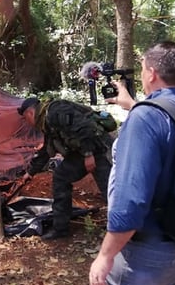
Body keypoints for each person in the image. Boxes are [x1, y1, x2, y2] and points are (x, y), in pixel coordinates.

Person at [89, 41, 175, 285]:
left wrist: (105, 256)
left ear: (151, 73)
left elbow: (130, 203)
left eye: (142, 70)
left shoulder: (145, 119)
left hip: (146, 256)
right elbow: (167, 138)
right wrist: (134, 106)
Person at [19, 96, 116, 240]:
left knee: (110, 188)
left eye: (25, 118)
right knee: (61, 177)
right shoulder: (46, 120)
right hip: (81, 153)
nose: (27, 123)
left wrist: (88, 154)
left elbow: (85, 128)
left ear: (29, 113)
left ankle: (125, 228)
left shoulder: (56, 110)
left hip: (98, 149)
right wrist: (31, 172)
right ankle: (60, 228)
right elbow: (46, 149)